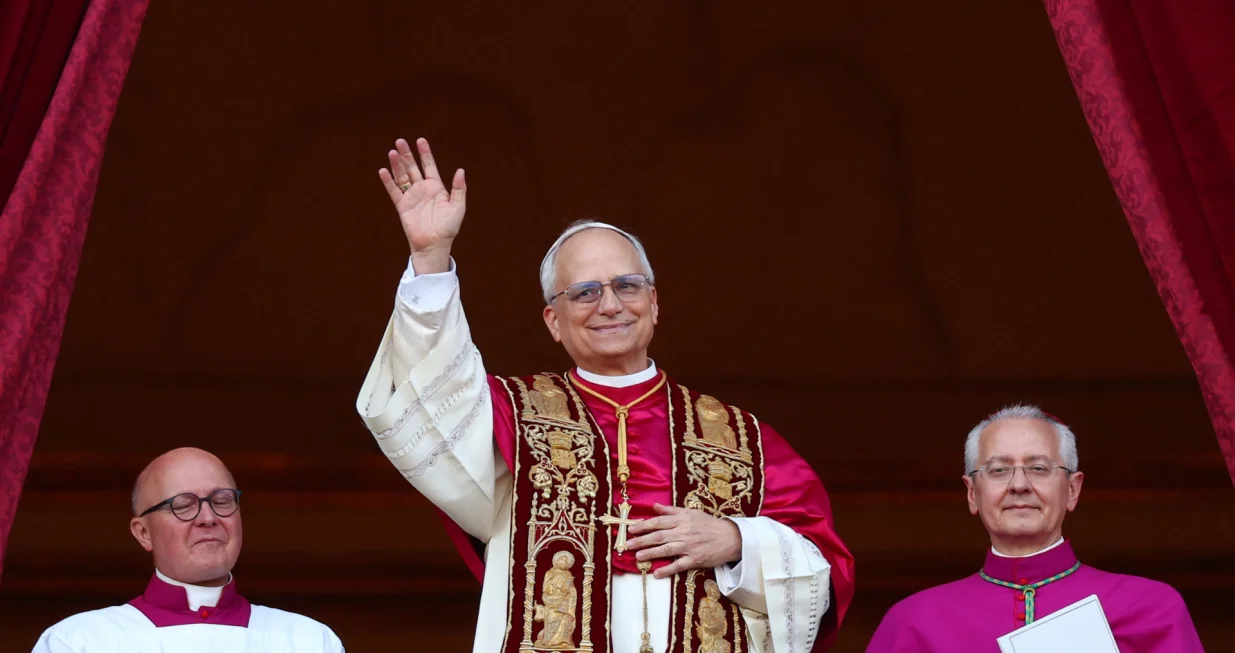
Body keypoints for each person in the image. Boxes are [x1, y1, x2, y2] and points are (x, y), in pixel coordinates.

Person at [355, 137, 855, 653]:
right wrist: (431, 256)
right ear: (554, 320)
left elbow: (825, 569)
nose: (610, 305)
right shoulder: (510, 419)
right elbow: (432, 397)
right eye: (585, 292)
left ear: (654, 303)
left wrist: (736, 541)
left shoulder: (743, 439)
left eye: (627, 286)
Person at [865, 405, 1203, 652]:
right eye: (998, 471)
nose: (1019, 485)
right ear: (972, 493)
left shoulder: (1151, 609)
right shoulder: (914, 621)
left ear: (1073, 489)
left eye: (1039, 468)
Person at [31, 447, 344, 653]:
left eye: (222, 501)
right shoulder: (78, 642)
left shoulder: (307, 641)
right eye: (183, 506)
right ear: (143, 533)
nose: (208, 518)